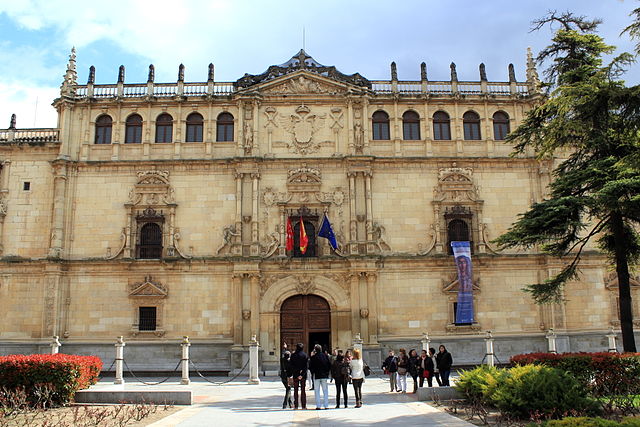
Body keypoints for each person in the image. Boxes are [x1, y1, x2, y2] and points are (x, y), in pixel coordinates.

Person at [309, 344, 331, 410]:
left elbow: (310, 367)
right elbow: (329, 365)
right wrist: (327, 373)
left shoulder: (313, 357)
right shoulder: (325, 356)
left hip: (316, 376)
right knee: (325, 391)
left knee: (317, 391)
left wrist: (313, 372)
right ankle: (326, 405)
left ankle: (318, 406)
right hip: (324, 376)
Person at [289, 343, 309, 409]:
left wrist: (297, 374)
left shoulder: (293, 355)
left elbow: (291, 366)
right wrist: (301, 374)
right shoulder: (305, 355)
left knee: (295, 390)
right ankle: (303, 405)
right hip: (303, 376)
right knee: (303, 390)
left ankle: (296, 405)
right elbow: (306, 367)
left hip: (295, 375)